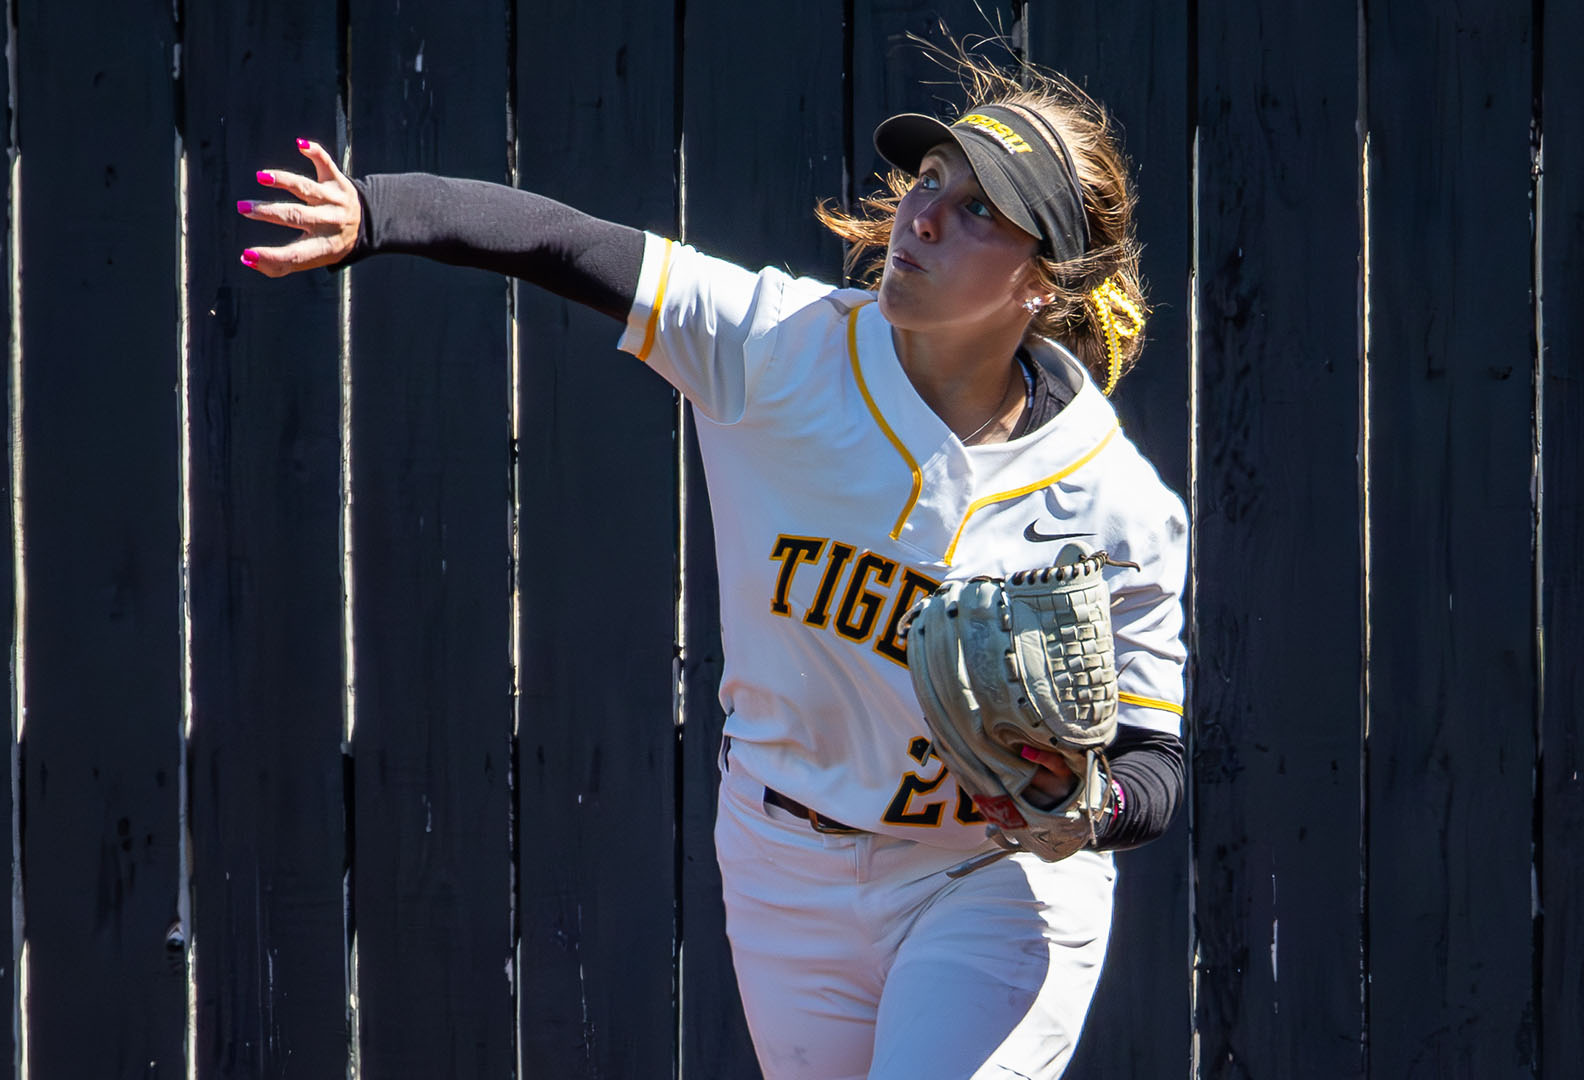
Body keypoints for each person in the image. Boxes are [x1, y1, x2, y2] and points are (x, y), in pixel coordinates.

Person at [239, 45, 1187, 1080]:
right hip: (787, 861)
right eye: (931, 181)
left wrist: (1094, 809)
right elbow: (567, 243)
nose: (921, 218)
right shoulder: (778, 348)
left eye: (978, 213)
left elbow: (1157, 763)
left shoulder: (1114, 502)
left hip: (989, 879)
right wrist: (376, 213)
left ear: (1046, 286)